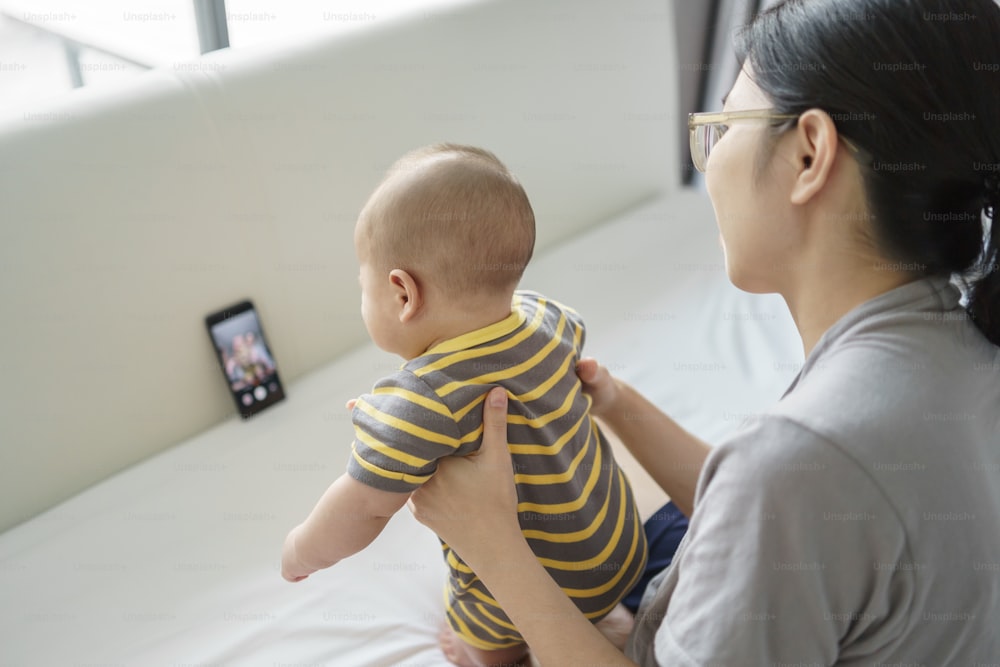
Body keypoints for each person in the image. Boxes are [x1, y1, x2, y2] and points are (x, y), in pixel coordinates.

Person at [406, 0, 1000, 664]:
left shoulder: (801, 457)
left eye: (722, 126)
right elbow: (779, 515)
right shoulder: (958, 334)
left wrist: (490, 542)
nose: (711, 163)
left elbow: (784, 488)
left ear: (809, 153)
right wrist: (618, 402)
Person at [280, 144, 649, 666]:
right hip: (619, 549)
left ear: (402, 294)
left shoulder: (421, 400)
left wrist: (301, 549)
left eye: (362, 285)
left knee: (474, 626)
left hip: (537, 586)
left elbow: (362, 507)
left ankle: (492, 654)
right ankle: (599, 620)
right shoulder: (549, 318)